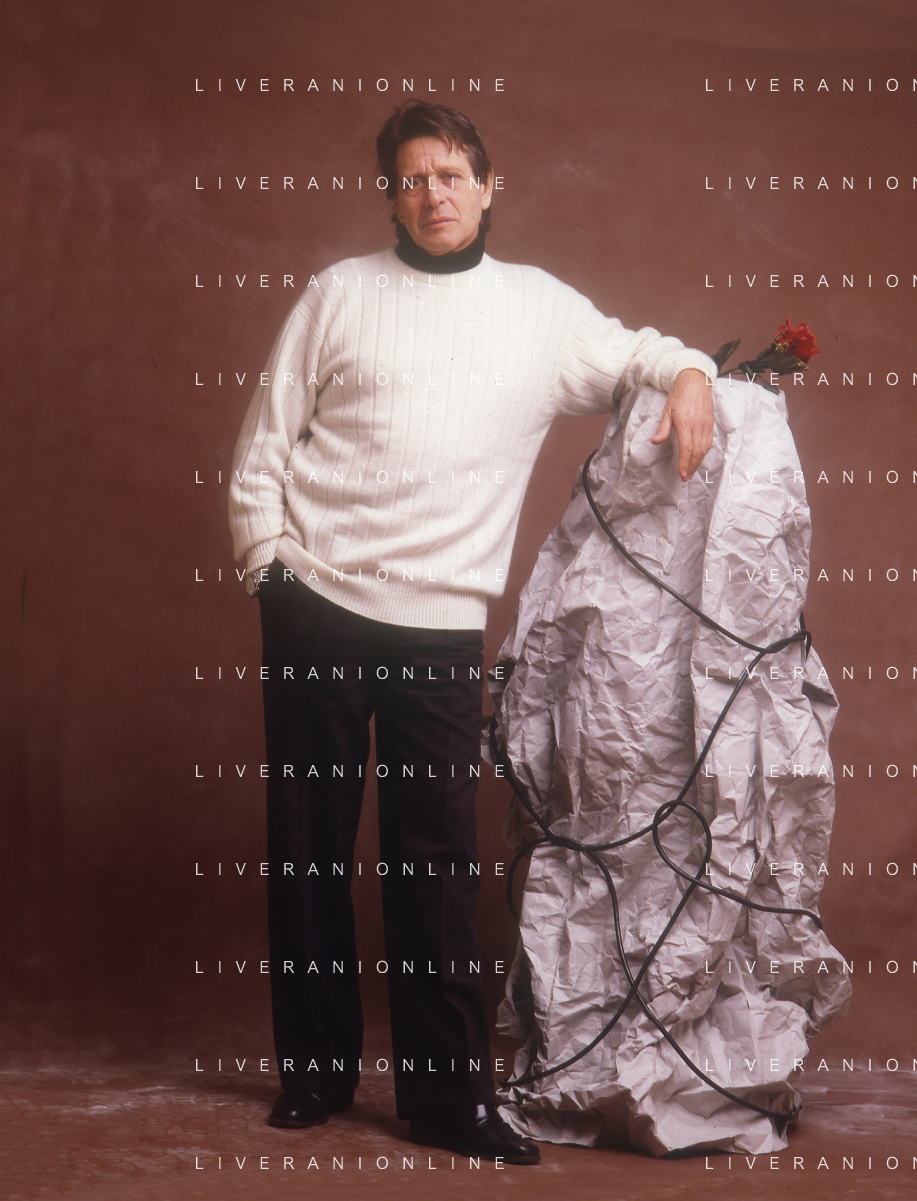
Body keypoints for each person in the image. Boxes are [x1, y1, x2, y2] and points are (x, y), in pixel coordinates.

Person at [228, 99, 717, 1165]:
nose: (433, 194)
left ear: (489, 189)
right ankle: (314, 1074)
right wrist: (270, 570)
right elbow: (263, 446)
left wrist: (689, 373)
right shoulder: (338, 295)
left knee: (433, 866)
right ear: (389, 196)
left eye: (450, 175)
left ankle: (447, 1099)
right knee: (307, 851)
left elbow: (638, 350)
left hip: (438, 629)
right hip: (315, 605)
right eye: (412, 179)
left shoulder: (538, 311)